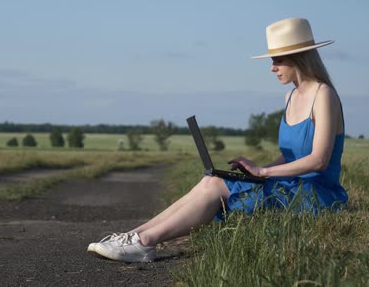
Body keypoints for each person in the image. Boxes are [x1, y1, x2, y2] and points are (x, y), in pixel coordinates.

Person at [87, 18, 349, 263]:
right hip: (289, 186)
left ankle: (145, 242)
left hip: (316, 196)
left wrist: (265, 172)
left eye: (278, 60)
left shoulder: (323, 95)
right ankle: (132, 236)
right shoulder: (290, 97)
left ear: (299, 58)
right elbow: (291, 154)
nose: (272, 67)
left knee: (216, 188)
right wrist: (256, 173)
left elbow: (318, 160)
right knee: (210, 180)